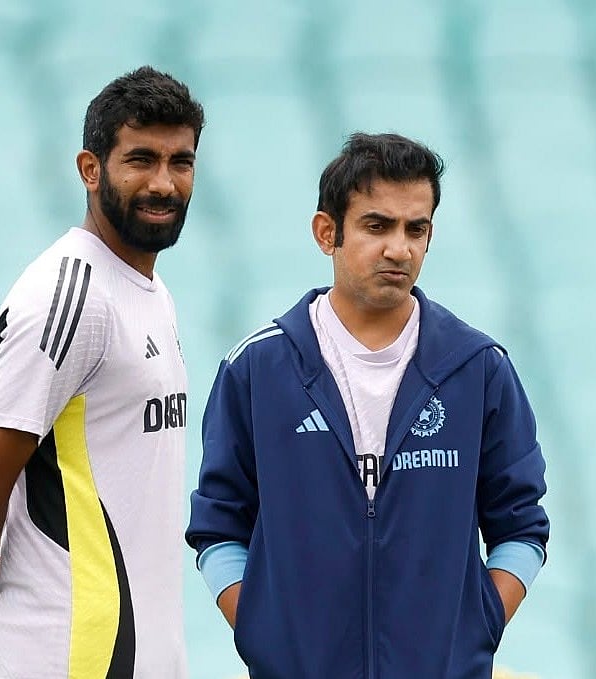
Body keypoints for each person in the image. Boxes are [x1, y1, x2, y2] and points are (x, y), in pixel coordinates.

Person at [186, 132, 550, 678]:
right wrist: (267, 632)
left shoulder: (477, 368)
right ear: (326, 232)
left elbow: (521, 525)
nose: (399, 248)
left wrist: (478, 626)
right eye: (377, 226)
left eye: (416, 229)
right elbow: (218, 526)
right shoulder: (258, 370)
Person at [0, 65, 204, 679]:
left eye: (180, 162)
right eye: (141, 159)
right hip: (72, 655)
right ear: (91, 169)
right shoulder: (72, 296)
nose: (164, 183)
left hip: (140, 656)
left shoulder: (147, 289)